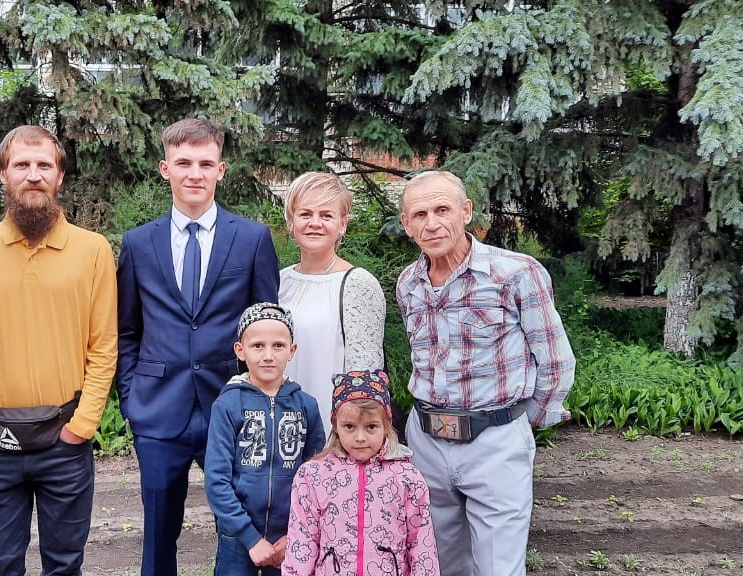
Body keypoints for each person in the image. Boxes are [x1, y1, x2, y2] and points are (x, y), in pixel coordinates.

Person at [0, 125, 118, 576]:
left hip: (65, 439)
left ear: (59, 176)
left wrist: (82, 427)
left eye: (44, 165)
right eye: (21, 164)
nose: (34, 174)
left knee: (64, 565)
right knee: (1, 565)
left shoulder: (93, 250)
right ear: (3, 175)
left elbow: (103, 346)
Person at [116, 118, 280, 576]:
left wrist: (256, 398)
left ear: (220, 170)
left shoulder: (251, 238)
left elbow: (266, 326)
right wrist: (131, 396)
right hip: (157, 410)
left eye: (206, 164)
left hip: (232, 407)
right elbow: (126, 330)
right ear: (165, 168)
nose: (195, 173)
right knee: (158, 533)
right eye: (184, 163)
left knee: (244, 527)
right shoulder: (139, 243)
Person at [395, 171, 575, 576]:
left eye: (442, 210)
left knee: (497, 567)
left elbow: (555, 359)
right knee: (436, 563)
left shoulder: (516, 273)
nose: (432, 223)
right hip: (426, 441)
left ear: (465, 212)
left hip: (495, 440)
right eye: (420, 214)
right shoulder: (408, 284)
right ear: (407, 224)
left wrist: (517, 424)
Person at [204, 303, 325, 576]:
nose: (268, 355)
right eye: (258, 346)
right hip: (237, 536)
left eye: (278, 346)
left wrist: (296, 533)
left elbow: (316, 477)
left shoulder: (306, 406)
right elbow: (217, 480)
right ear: (240, 350)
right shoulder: (227, 405)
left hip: (291, 535)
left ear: (292, 350)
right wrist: (250, 538)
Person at [283, 369, 438, 576]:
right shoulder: (313, 475)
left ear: (386, 425)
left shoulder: (407, 477)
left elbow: (422, 545)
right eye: (349, 426)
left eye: (371, 427)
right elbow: (301, 541)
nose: (360, 437)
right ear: (335, 426)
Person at [278, 171, 386, 427]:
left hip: (333, 426)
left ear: (342, 224)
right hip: (282, 424)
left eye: (326, 215)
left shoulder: (358, 283)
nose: (315, 223)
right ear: (291, 221)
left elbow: (365, 375)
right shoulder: (280, 281)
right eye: (305, 214)